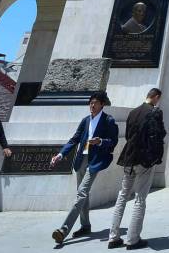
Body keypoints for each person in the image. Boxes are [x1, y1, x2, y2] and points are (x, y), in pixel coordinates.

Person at [50, 91, 119, 245]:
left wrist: (100, 141)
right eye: (90, 102)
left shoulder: (108, 120)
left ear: (102, 104)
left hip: (95, 161)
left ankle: (63, 230)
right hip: (81, 160)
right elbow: (74, 139)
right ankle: (85, 226)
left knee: (81, 193)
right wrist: (60, 155)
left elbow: (113, 141)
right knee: (84, 196)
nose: (92, 105)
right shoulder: (85, 120)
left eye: (95, 103)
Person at [108, 87, 166, 250]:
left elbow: (127, 136)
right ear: (155, 97)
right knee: (140, 199)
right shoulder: (155, 112)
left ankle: (113, 237)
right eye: (158, 99)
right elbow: (159, 135)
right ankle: (133, 239)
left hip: (128, 158)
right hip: (144, 160)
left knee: (122, 195)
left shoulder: (133, 112)